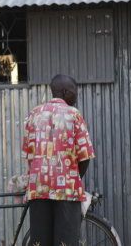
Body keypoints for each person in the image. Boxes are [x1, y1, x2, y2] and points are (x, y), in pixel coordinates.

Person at [23, 74, 95, 246]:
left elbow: (29, 155)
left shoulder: (33, 114)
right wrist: (74, 178)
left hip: (38, 188)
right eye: (74, 92)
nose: (76, 97)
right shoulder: (74, 114)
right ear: (64, 92)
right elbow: (85, 155)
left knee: (40, 241)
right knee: (66, 241)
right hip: (67, 191)